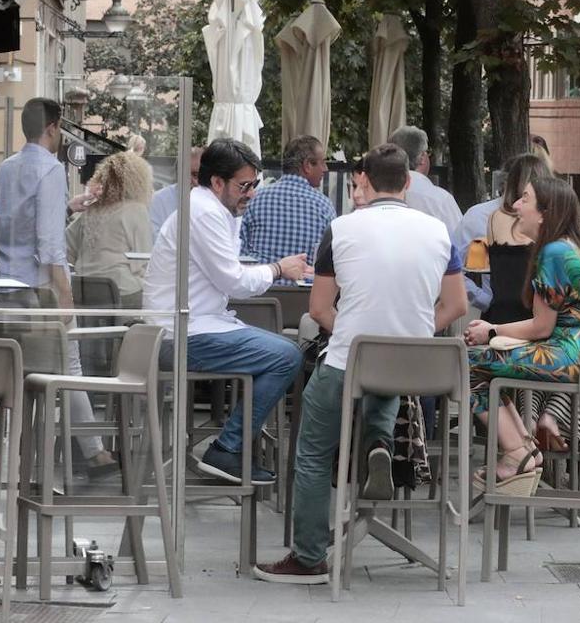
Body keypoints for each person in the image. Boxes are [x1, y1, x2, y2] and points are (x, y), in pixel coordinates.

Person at [253, 143, 467, 585]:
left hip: (352, 359)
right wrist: (415, 331)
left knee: (312, 452)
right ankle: (379, 442)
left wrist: (355, 329)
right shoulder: (439, 232)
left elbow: (318, 307)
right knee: (385, 381)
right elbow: (457, 304)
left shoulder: (342, 227)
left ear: (365, 182)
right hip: (418, 369)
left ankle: (309, 556)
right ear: (408, 181)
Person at [145, 138, 311, 485]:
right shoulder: (205, 212)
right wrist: (279, 269)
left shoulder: (210, 209)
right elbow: (235, 281)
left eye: (254, 185)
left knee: (279, 350)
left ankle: (231, 444)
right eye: (244, 186)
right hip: (181, 334)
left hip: (186, 327)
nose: (250, 193)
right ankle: (228, 448)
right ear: (217, 182)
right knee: (286, 355)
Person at [463, 176, 580, 495]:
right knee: (483, 362)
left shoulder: (554, 253)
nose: (515, 206)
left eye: (524, 199)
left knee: (466, 363)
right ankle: (522, 449)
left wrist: (491, 329)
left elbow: (540, 327)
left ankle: (519, 452)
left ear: (544, 214)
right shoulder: (571, 247)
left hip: (568, 356)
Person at [0, 98, 116, 477]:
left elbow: (15, 221)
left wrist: (68, 206)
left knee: (15, 372)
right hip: (38, 289)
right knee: (68, 364)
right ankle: (90, 452)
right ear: (53, 127)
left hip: (4, 285)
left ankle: (26, 455)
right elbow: (48, 242)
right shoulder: (49, 170)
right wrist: (66, 293)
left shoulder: (6, 167)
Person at [452, 153, 552, 313]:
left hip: (515, 319)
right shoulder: (481, 216)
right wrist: (484, 300)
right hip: (505, 316)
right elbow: (451, 265)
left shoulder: (485, 217)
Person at [239, 135, 335, 280]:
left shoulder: (254, 200)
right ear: (308, 165)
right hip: (303, 297)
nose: (325, 169)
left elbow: (241, 251)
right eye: (323, 162)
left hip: (261, 296)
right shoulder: (324, 206)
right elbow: (328, 261)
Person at [66, 151, 154, 308]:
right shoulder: (137, 210)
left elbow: (67, 249)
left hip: (84, 291)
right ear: (139, 181)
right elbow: (143, 261)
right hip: (121, 291)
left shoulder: (90, 210)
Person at [387, 125, 462, 233]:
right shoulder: (441, 200)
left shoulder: (376, 192)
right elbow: (459, 242)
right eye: (428, 152)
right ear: (422, 157)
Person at [150, 146, 203, 238]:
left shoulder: (213, 202)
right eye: (184, 173)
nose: (189, 180)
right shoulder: (158, 201)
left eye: (196, 175)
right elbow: (155, 242)